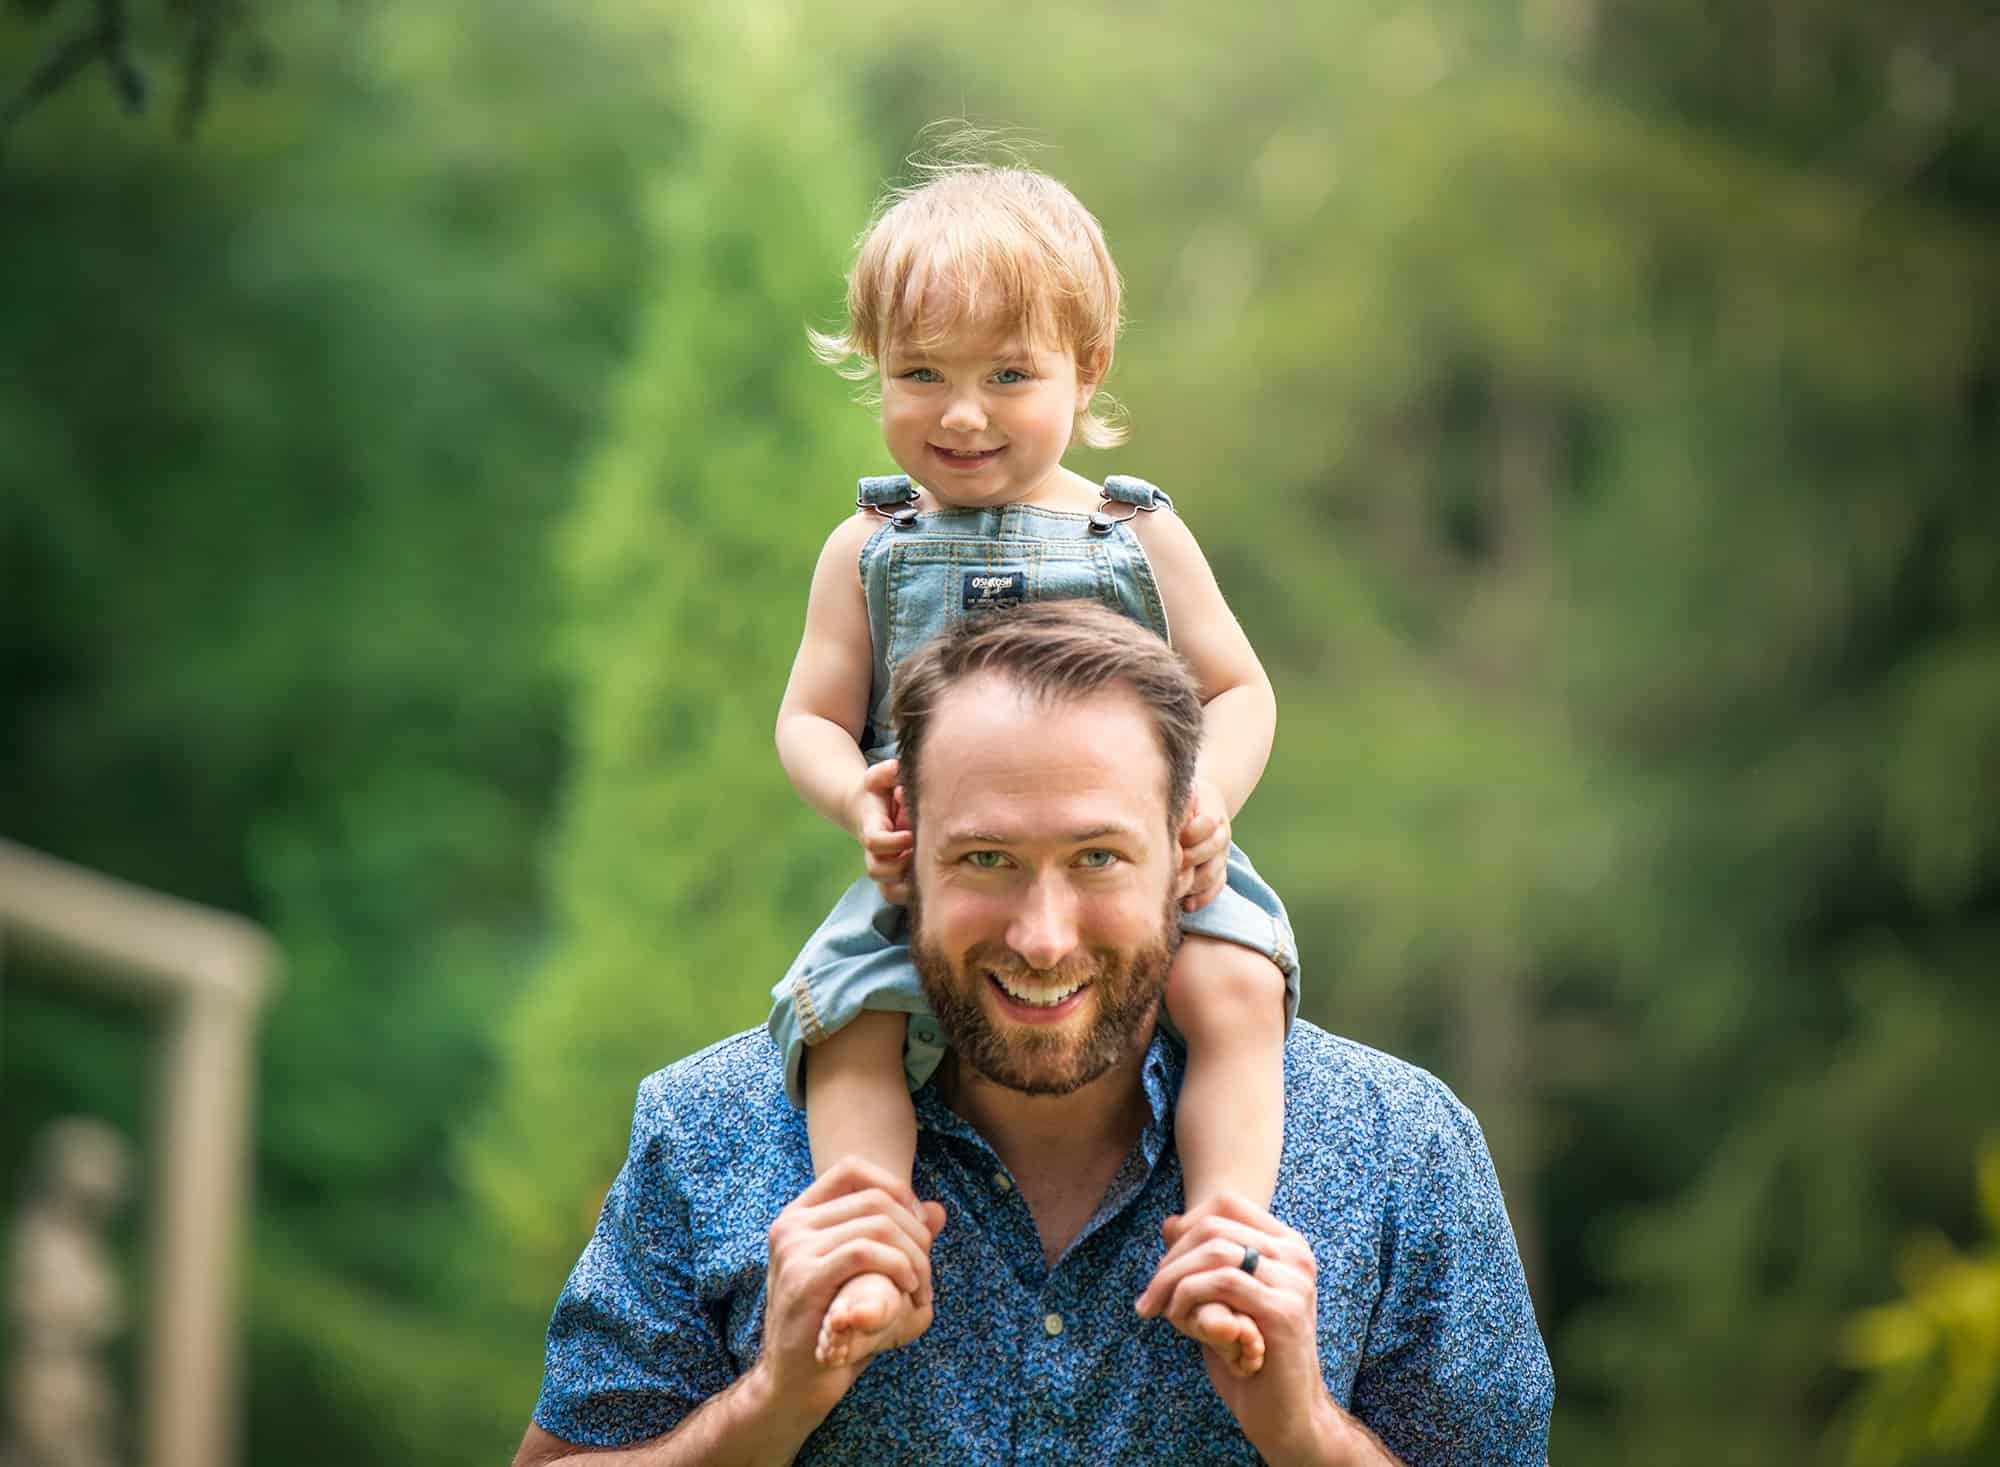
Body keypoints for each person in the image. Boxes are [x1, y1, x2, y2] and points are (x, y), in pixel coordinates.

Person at [512, 603, 1554, 1466]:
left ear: (1187, 858)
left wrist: (1305, 1435)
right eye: (984, 861)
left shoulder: (1401, 1149)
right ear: (901, 857)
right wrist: (771, 1405)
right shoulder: (707, 1131)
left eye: (1098, 859)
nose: (1043, 938)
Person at [769, 152, 1294, 1375]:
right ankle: (864, 1241)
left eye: (1007, 375)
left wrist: (1205, 792)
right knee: (844, 1021)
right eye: (920, 376)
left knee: (1233, 991)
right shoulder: (870, 546)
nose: (960, 414)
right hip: (939, 882)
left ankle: (1227, 1233)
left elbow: (1238, 686)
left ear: (1085, 369)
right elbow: (806, 716)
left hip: (1131, 859)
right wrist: (853, 789)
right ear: (875, 371)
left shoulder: (1131, 531)